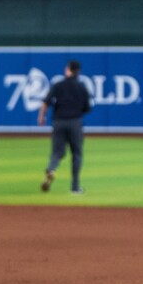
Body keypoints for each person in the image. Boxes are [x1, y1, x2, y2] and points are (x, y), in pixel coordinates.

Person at [38, 59, 92, 194]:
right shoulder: (82, 87)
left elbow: (45, 102)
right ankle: (75, 187)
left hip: (58, 122)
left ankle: (51, 169)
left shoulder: (58, 85)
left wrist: (41, 116)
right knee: (77, 154)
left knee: (57, 152)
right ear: (78, 71)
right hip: (75, 122)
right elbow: (87, 108)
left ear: (68, 70)